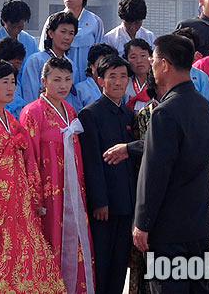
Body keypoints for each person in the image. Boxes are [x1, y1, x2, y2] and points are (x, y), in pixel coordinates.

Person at [0, 59, 65, 293]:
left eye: (13, 82)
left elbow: (28, 161)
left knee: (23, 250)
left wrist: (34, 197)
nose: (10, 87)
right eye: (4, 82)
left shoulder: (12, 120)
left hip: (18, 198)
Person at [132, 34, 209, 294]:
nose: (151, 64)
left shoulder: (165, 112)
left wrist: (142, 223)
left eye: (154, 59)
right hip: (199, 222)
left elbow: (155, 172)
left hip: (168, 227)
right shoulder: (204, 106)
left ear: (165, 64)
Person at [20, 57, 94, 294]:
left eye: (67, 80)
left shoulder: (70, 110)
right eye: (57, 80)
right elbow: (28, 157)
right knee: (49, 243)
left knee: (75, 243)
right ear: (44, 82)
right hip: (48, 194)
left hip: (72, 190)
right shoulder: (32, 112)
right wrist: (35, 198)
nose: (63, 85)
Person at [78, 55, 141, 294]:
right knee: (102, 264)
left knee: (119, 265)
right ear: (100, 80)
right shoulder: (90, 114)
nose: (118, 82)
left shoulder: (128, 115)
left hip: (128, 201)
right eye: (112, 76)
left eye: (123, 76)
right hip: (105, 206)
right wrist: (99, 201)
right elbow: (92, 162)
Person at [40, 0, 105, 86]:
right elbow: (43, 49)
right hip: (59, 83)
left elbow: (101, 56)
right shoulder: (53, 20)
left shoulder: (95, 22)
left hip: (87, 83)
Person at [23, 11, 78, 108]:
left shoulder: (71, 65)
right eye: (63, 32)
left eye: (71, 33)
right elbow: (29, 96)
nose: (67, 37)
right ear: (51, 33)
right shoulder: (36, 61)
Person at [172, 27, 209, 102]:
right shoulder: (165, 72)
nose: (185, 51)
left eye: (189, 47)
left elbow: (208, 104)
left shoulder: (201, 76)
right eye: (181, 47)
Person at [73, 43, 119, 112]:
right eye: (101, 64)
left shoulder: (118, 87)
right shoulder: (79, 90)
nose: (105, 68)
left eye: (110, 65)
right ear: (91, 66)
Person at [122, 38, 155, 112]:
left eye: (143, 55)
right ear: (127, 60)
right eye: (133, 57)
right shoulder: (124, 82)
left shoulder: (158, 81)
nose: (139, 61)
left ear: (151, 57)